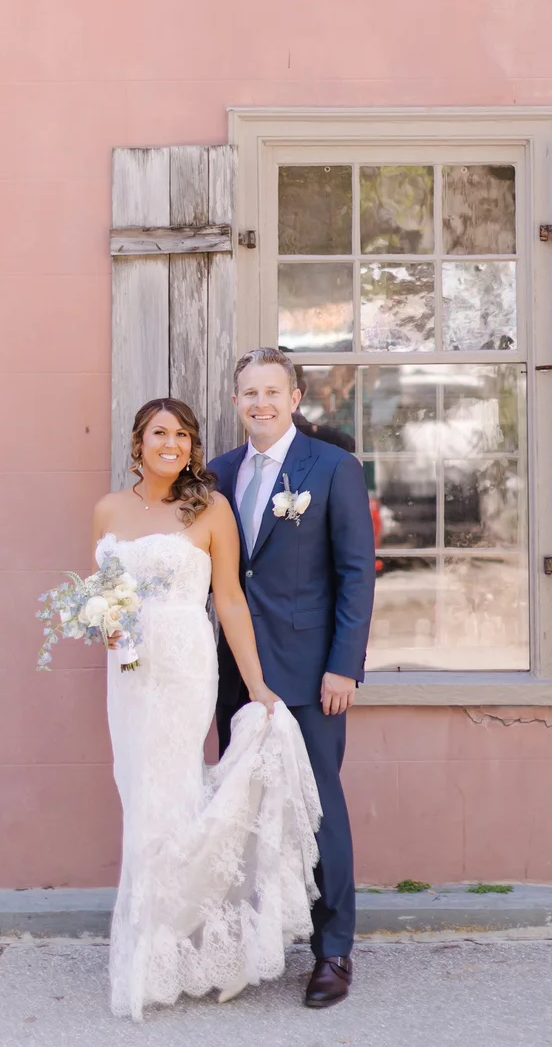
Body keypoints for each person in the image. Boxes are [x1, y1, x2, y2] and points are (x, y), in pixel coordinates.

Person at [91, 398, 321, 1021]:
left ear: (193, 448)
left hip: (186, 668)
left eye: (183, 435)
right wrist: (108, 626)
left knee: (174, 797)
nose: (172, 443)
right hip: (129, 677)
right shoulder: (108, 509)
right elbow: (107, 598)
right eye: (159, 433)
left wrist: (258, 686)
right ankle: (158, 949)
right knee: (141, 799)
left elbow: (232, 603)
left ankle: (206, 944)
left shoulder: (211, 508)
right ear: (138, 442)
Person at [209, 347, 376, 1009]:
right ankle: (259, 940)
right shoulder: (218, 474)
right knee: (246, 809)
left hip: (312, 674)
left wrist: (344, 665)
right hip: (236, 672)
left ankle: (333, 951)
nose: (261, 403)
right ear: (236, 402)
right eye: (249, 393)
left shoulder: (332, 468)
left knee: (320, 809)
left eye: (272, 392)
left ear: (296, 397)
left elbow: (357, 573)